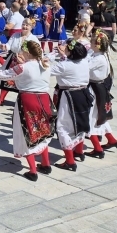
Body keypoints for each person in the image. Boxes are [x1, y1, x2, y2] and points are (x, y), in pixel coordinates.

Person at [0, 40, 54, 181]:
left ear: (27, 52)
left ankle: (33, 171)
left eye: (22, 50)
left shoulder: (23, 67)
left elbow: (0, 75)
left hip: (28, 101)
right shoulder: (45, 64)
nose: (20, 53)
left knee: (25, 133)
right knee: (42, 131)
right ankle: (46, 164)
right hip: (45, 100)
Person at [49, 40, 92, 171]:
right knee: (80, 123)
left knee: (62, 127)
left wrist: (41, 60)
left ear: (70, 52)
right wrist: (64, 55)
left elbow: (46, 71)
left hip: (69, 96)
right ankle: (78, 151)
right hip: (84, 94)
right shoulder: (84, 61)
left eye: (66, 48)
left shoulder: (64, 65)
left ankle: (70, 161)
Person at [87, 29, 117, 157]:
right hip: (97, 87)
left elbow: (84, 68)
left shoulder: (99, 58)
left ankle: (98, 149)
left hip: (95, 89)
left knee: (91, 118)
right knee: (100, 117)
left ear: (97, 45)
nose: (90, 42)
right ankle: (112, 140)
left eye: (92, 41)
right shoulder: (98, 55)